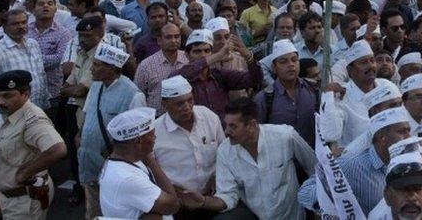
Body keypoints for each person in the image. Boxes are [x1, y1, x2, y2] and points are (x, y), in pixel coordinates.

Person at [183, 97, 315, 220]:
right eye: (226, 125)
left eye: (233, 126)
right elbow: (228, 196)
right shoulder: (225, 151)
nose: (226, 132)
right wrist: (203, 202)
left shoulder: (285, 136)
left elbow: (314, 167)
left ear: (251, 125)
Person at [78, 43, 146, 219]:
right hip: (89, 164)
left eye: (97, 65)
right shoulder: (96, 86)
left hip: (113, 171)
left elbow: (139, 139)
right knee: (92, 212)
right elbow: (88, 117)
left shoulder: (133, 94)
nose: (92, 69)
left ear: (113, 67)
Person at [0, 70, 67, 220]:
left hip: (24, 202)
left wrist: (25, 172)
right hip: (7, 197)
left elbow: (58, 149)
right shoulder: (9, 113)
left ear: (25, 94)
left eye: (7, 96)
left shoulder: (32, 120)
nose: (0, 102)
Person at [152, 75, 224, 216]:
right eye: (179, 103)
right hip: (179, 207)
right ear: (164, 104)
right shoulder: (154, 133)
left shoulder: (208, 117)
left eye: (189, 100)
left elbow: (225, 153)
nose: (187, 107)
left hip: (212, 199)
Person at [98, 107, 180, 219]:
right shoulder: (128, 178)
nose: (155, 138)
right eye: (152, 134)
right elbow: (172, 205)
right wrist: (151, 162)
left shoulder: (123, 161)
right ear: (138, 141)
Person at [252, 39, 318, 146]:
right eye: (283, 62)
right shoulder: (264, 98)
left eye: (294, 60)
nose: (291, 65)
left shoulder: (312, 89)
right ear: (274, 68)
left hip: (312, 157)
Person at [133, 22, 189, 113]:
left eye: (177, 36)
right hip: (157, 118)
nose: (174, 40)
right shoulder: (146, 65)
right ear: (159, 40)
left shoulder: (188, 60)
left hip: (185, 116)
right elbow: (138, 94)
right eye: (169, 37)